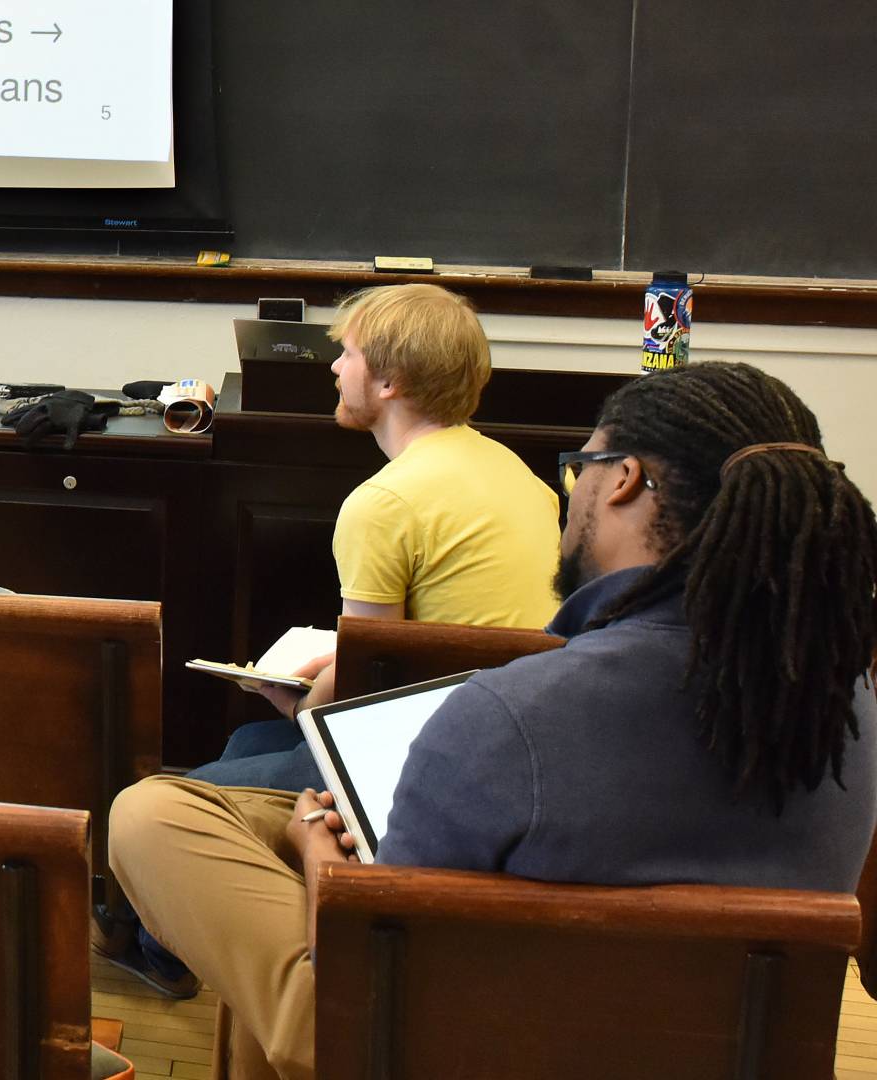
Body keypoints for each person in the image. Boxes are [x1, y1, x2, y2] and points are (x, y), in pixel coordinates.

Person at [106, 361, 877, 1080]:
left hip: (484, 1048)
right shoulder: (845, 702)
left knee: (162, 820)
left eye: (582, 466)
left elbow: (376, 975)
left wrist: (321, 862)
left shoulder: (515, 716)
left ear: (624, 482)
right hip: (718, 1048)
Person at [104, 283, 562, 997]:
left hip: (416, 763)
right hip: (499, 739)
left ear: (389, 380)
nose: (333, 369)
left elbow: (362, 701)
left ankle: (159, 947)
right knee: (246, 747)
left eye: (346, 354)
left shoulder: (385, 503)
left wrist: (288, 694)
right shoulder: (517, 475)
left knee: (163, 798)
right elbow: (412, 647)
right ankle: (149, 939)